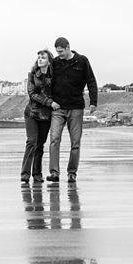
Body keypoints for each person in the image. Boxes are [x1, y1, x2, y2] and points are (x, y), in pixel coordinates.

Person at [46, 37, 98, 183]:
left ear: (68, 47)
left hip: (76, 107)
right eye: (57, 52)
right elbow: (48, 83)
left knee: (75, 142)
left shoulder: (82, 61)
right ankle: (54, 173)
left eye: (61, 51)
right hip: (58, 108)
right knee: (54, 140)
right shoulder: (55, 63)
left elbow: (91, 81)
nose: (59, 54)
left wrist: (93, 102)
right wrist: (50, 101)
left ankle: (72, 173)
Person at [21, 49, 58, 184]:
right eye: (38, 57)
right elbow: (32, 94)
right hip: (31, 113)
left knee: (40, 145)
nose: (40, 59)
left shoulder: (54, 77)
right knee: (31, 141)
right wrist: (49, 102)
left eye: (43, 57)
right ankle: (25, 174)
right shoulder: (32, 75)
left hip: (46, 115)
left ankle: (37, 174)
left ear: (49, 61)